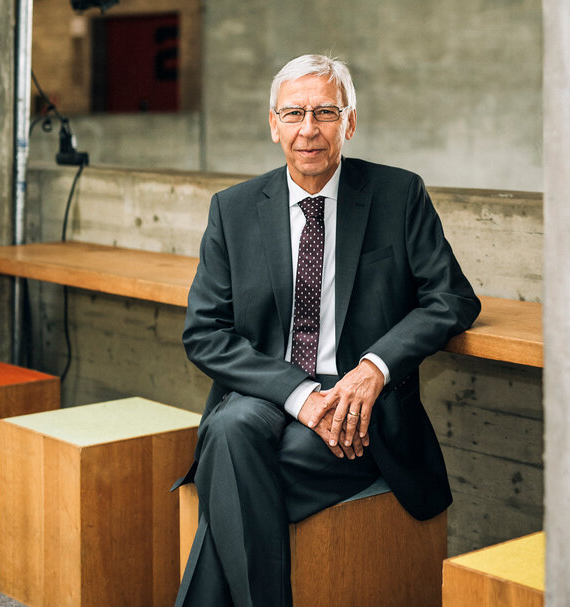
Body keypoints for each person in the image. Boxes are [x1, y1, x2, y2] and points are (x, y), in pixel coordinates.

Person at [173, 54, 480, 607]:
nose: (308, 129)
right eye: (293, 114)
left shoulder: (398, 194)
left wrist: (374, 367)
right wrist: (298, 396)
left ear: (350, 121)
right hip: (272, 390)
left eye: (325, 112)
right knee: (234, 429)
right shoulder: (234, 209)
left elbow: (452, 297)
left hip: (357, 410)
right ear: (273, 124)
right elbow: (205, 333)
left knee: (229, 461)